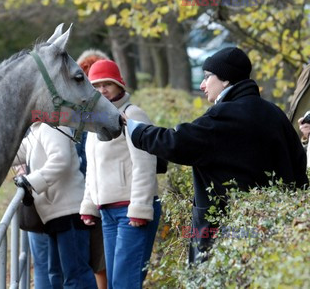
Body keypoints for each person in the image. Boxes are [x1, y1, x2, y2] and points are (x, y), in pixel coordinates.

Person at [125, 47, 309, 264]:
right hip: (277, 226)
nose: (202, 85)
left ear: (225, 80)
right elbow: (299, 168)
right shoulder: (274, 113)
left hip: (225, 229)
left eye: (207, 77)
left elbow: (176, 142)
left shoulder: (224, 115)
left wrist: (135, 129)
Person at [79, 59, 161, 289]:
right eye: (95, 86)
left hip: (131, 211)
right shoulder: (96, 120)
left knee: (125, 282)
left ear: (119, 84)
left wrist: (140, 208)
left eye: (107, 84)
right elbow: (93, 168)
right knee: (115, 282)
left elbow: (145, 163)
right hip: (108, 212)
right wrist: (89, 205)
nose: (102, 90)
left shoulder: (132, 114)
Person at [14, 122, 97, 289]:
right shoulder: (36, 131)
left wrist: (30, 182)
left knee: (76, 276)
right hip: (54, 214)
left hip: (68, 212)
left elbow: (61, 160)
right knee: (56, 275)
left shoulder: (52, 127)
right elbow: (12, 153)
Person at [76, 49, 109, 289]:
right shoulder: (76, 113)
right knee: (96, 260)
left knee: (100, 260)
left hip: (101, 194)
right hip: (85, 194)